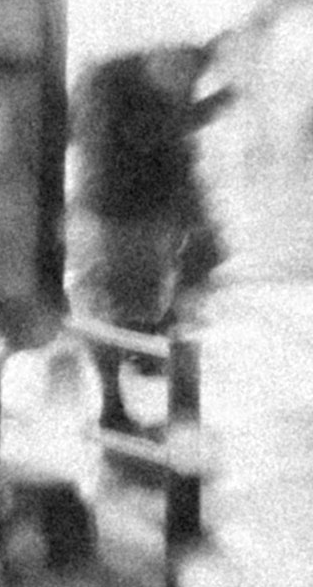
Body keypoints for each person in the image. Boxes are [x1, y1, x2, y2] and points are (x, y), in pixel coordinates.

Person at [71, 39, 225, 445]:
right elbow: (148, 138)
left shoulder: (102, 75)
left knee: (120, 305)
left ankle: (119, 395)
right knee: (120, 307)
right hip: (128, 211)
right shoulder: (122, 81)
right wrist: (193, 113)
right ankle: (115, 402)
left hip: (115, 207)